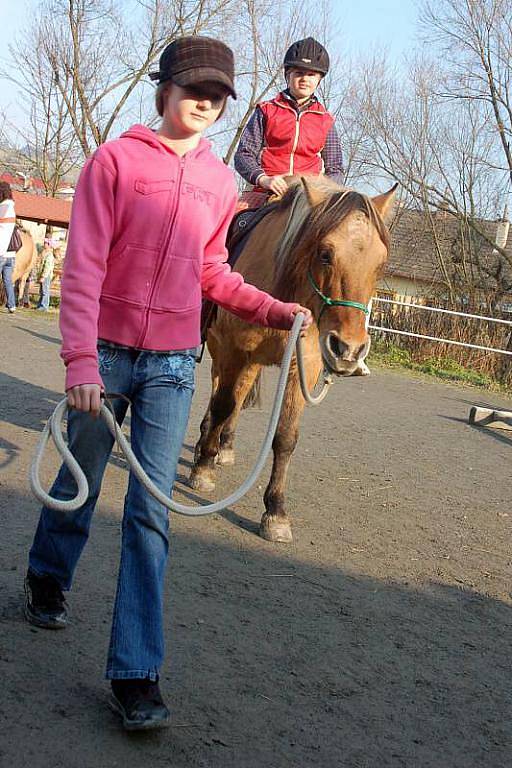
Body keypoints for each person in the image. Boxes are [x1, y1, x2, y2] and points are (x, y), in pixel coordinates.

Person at [23, 35, 312, 732]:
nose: (205, 101)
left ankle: (135, 673)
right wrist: (81, 363)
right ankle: (47, 576)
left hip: (174, 365)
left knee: (151, 515)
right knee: (79, 482)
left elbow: (213, 272)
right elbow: (84, 267)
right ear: (165, 91)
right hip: (107, 355)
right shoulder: (113, 163)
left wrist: (276, 308)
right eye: (193, 89)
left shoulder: (219, 185)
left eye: (217, 94)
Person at [234, 37, 344, 210]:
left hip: (307, 197)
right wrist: (264, 179)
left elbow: (335, 168)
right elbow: (243, 154)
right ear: (288, 75)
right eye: (298, 73)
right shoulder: (266, 110)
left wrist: (324, 193)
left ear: (319, 79)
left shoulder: (325, 120)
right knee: (230, 221)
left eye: (311, 75)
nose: (304, 79)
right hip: (266, 191)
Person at [0, 181, 17, 313]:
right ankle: (11, 305)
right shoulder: (12, 207)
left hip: (1, 251)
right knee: (8, 282)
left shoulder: (3, 207)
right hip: (11, 254)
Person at [37, 239, 55, 311]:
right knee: (42, 291)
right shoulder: (45, 254)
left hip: (46, 276)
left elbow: (47, 267)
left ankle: (44, 306)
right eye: (44, 243)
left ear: (49, 245)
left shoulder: (49, 255)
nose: (44, 244)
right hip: (44, 275)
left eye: (46, 243)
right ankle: (40, 305)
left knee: (45, 291)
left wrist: (43, 276)